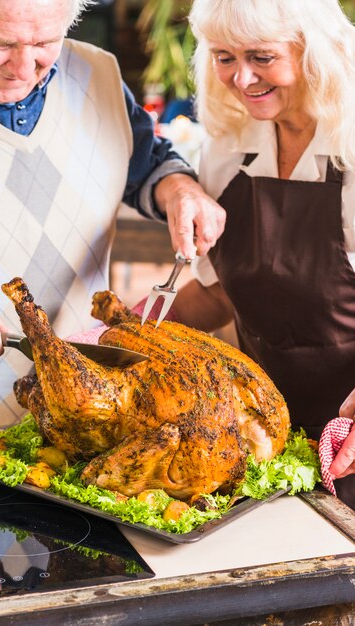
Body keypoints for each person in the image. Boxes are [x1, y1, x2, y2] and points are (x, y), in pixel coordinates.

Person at [0, 0, 225, 431]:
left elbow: (147, 163)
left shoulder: (99, 74)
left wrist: (180, 190)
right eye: (0, 43)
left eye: (44, 42)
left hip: (82, 427)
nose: (22, 67)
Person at [170, 0, 355, 507]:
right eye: (224, 56)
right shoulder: (227, 148)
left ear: (312, 50)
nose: (241, 77)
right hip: (259, 438)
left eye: (261, 56)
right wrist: (131, 330)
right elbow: (219, 297)